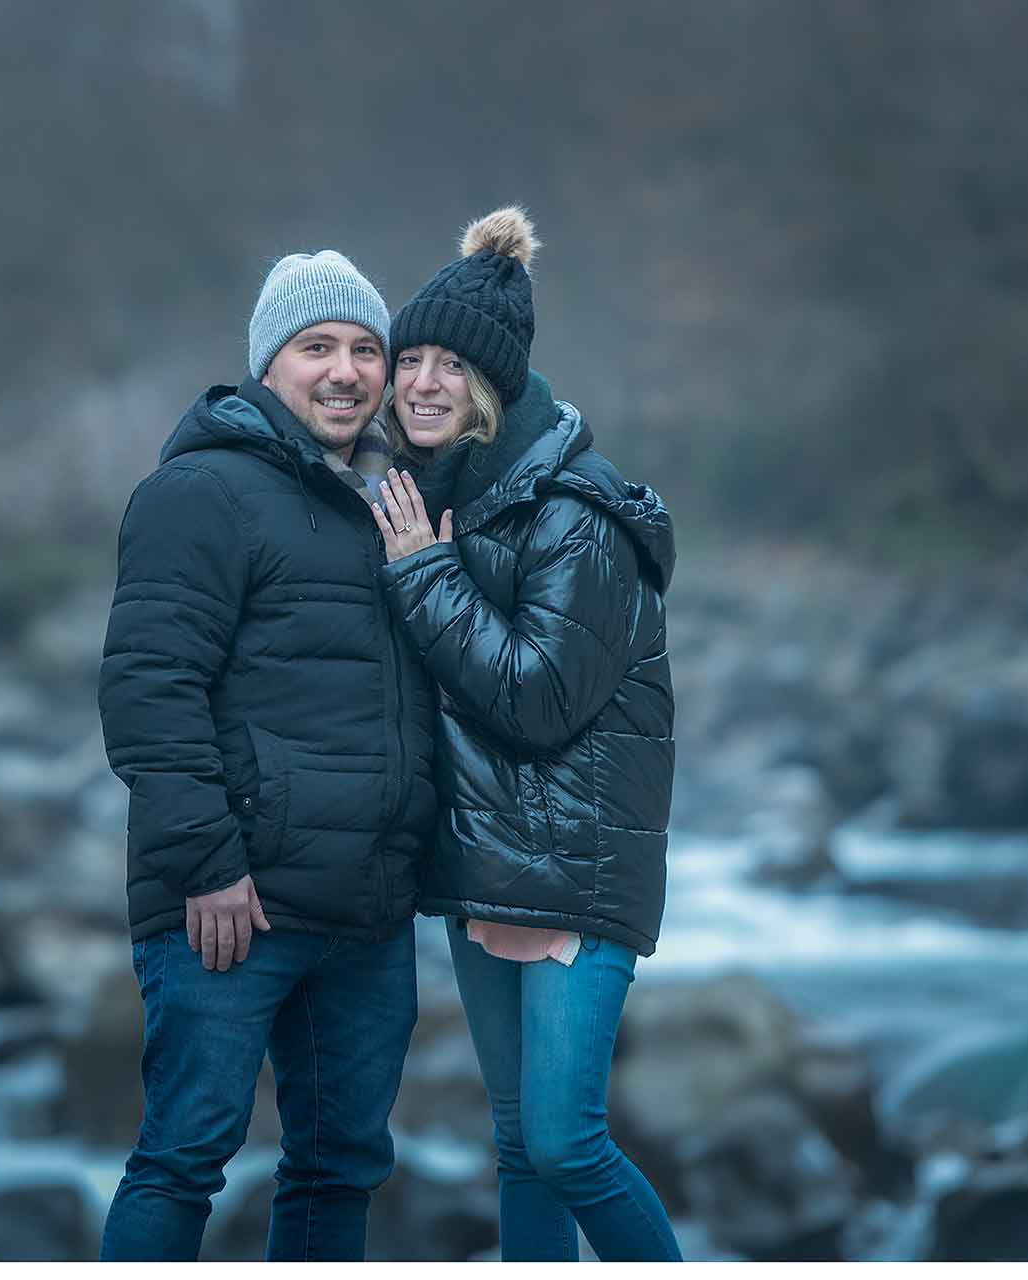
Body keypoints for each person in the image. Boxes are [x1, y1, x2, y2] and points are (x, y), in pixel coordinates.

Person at [96, 248, 438, 1261]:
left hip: (367, 911)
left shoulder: (391, 505)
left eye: (365, 348)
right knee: (184, 1155)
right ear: (268, 363)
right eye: (316, 346)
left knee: (340, 1166)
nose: (344, 370)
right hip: (232, 905)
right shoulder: (201, 491)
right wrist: (209, 864)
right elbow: (148, 686)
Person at [368, 207, 682, 1262]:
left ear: (492, 387)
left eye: (449, 365)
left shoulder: (571, 513)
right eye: (409, 357)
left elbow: (539, 697)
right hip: (487, 861)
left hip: (576, 870)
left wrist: (422, 574)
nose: (420, 381)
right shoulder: (431, 496)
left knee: (565, 1139)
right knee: (514, 1143)